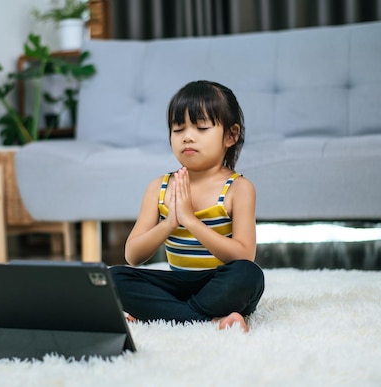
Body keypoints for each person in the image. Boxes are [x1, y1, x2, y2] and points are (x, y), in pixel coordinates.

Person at [109, 80, 265, 332]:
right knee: (114, 278)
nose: (188, 137)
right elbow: (133, 255)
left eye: (201, 127)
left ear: (230, 135)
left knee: (249, 276)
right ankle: (208, 321)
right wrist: (171, 222)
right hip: (178, 283)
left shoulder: (238, 188)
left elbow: (243, 256)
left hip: (218, 282)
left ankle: (165, 312)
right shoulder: (159, 186)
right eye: (178, 129)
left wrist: (190, 221)